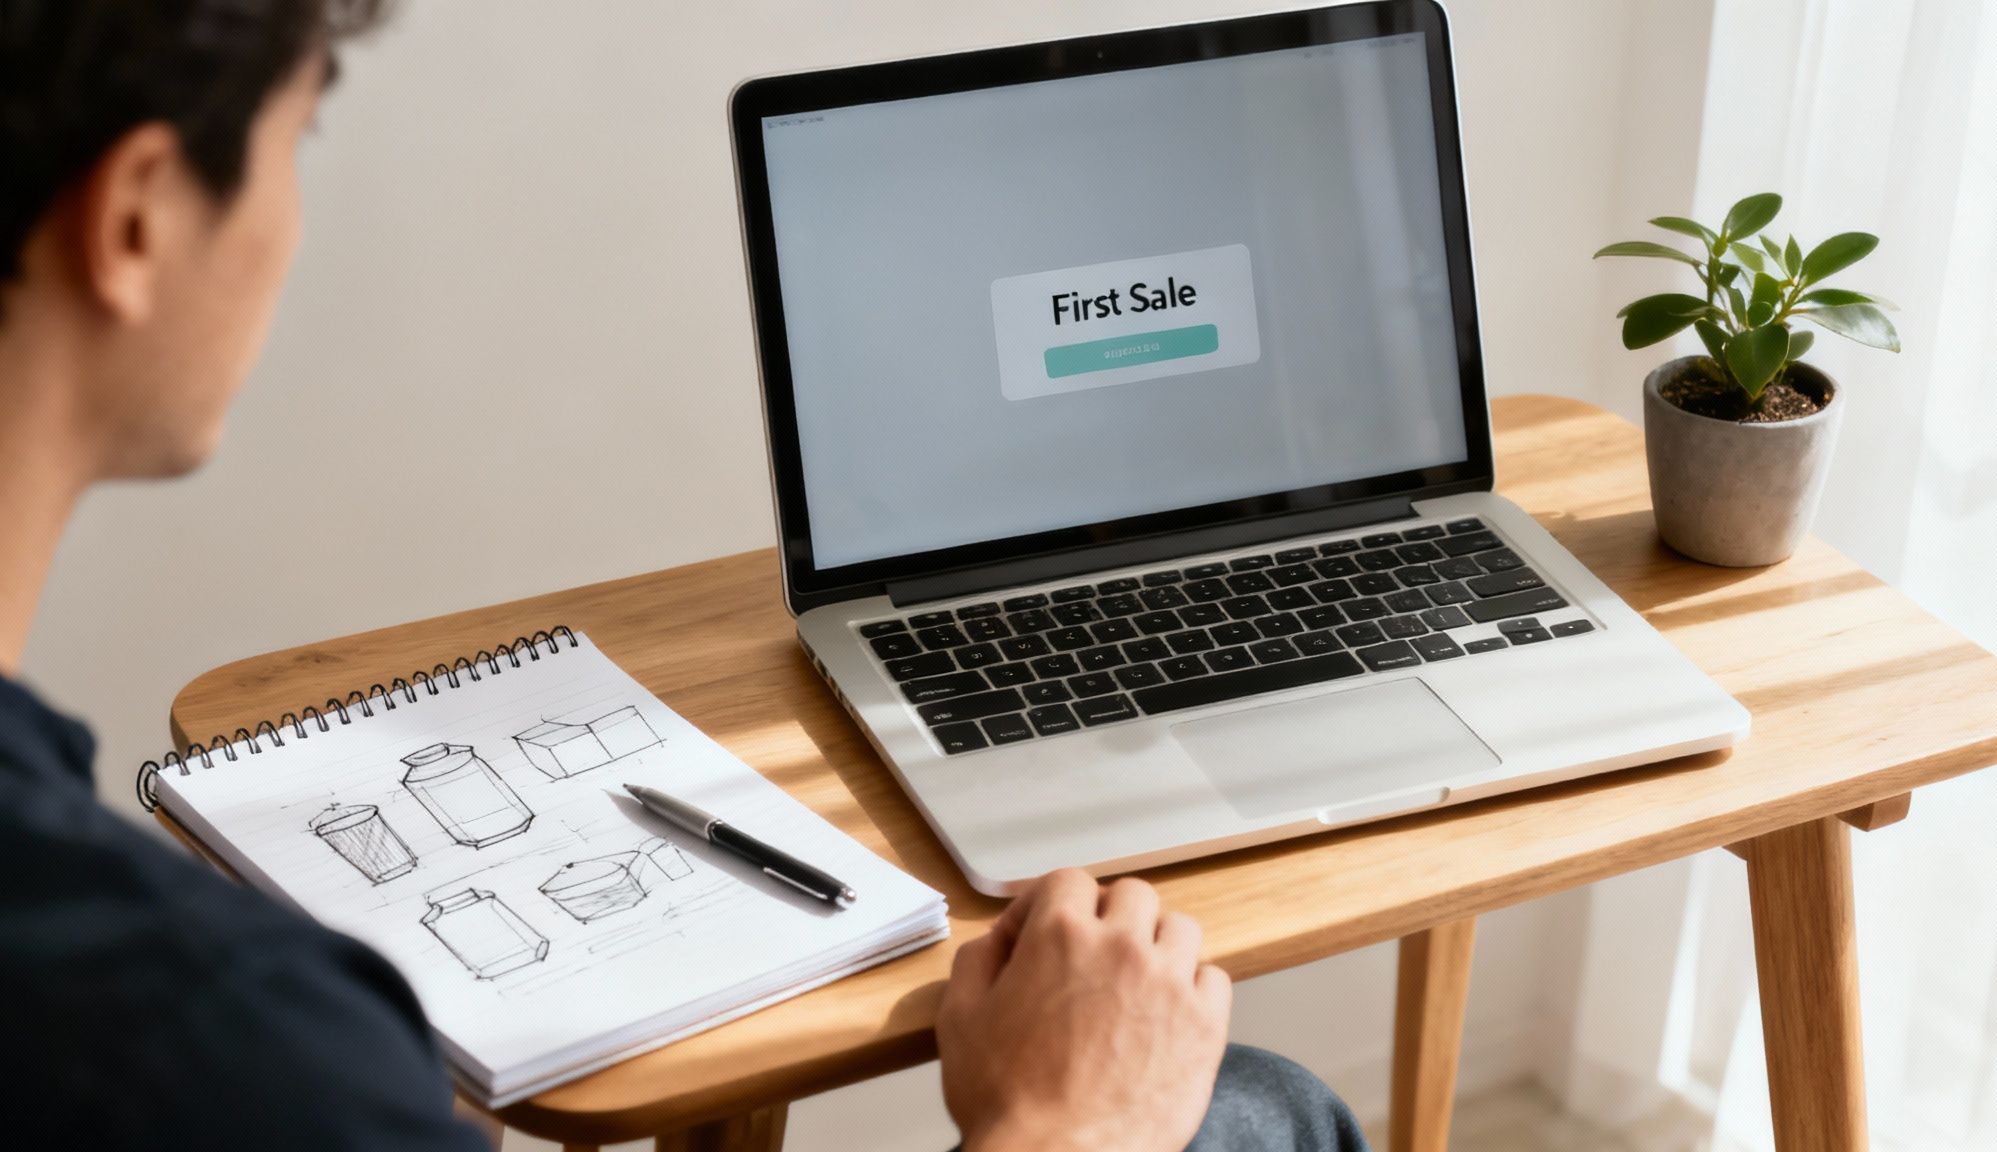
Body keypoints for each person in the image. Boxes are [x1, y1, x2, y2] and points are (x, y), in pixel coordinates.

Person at [0, 4, 1369, 1150]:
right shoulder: (228, 1044)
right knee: (1268, 1115)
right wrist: (1066, 1127)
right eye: (299, 140)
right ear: (133, 218)